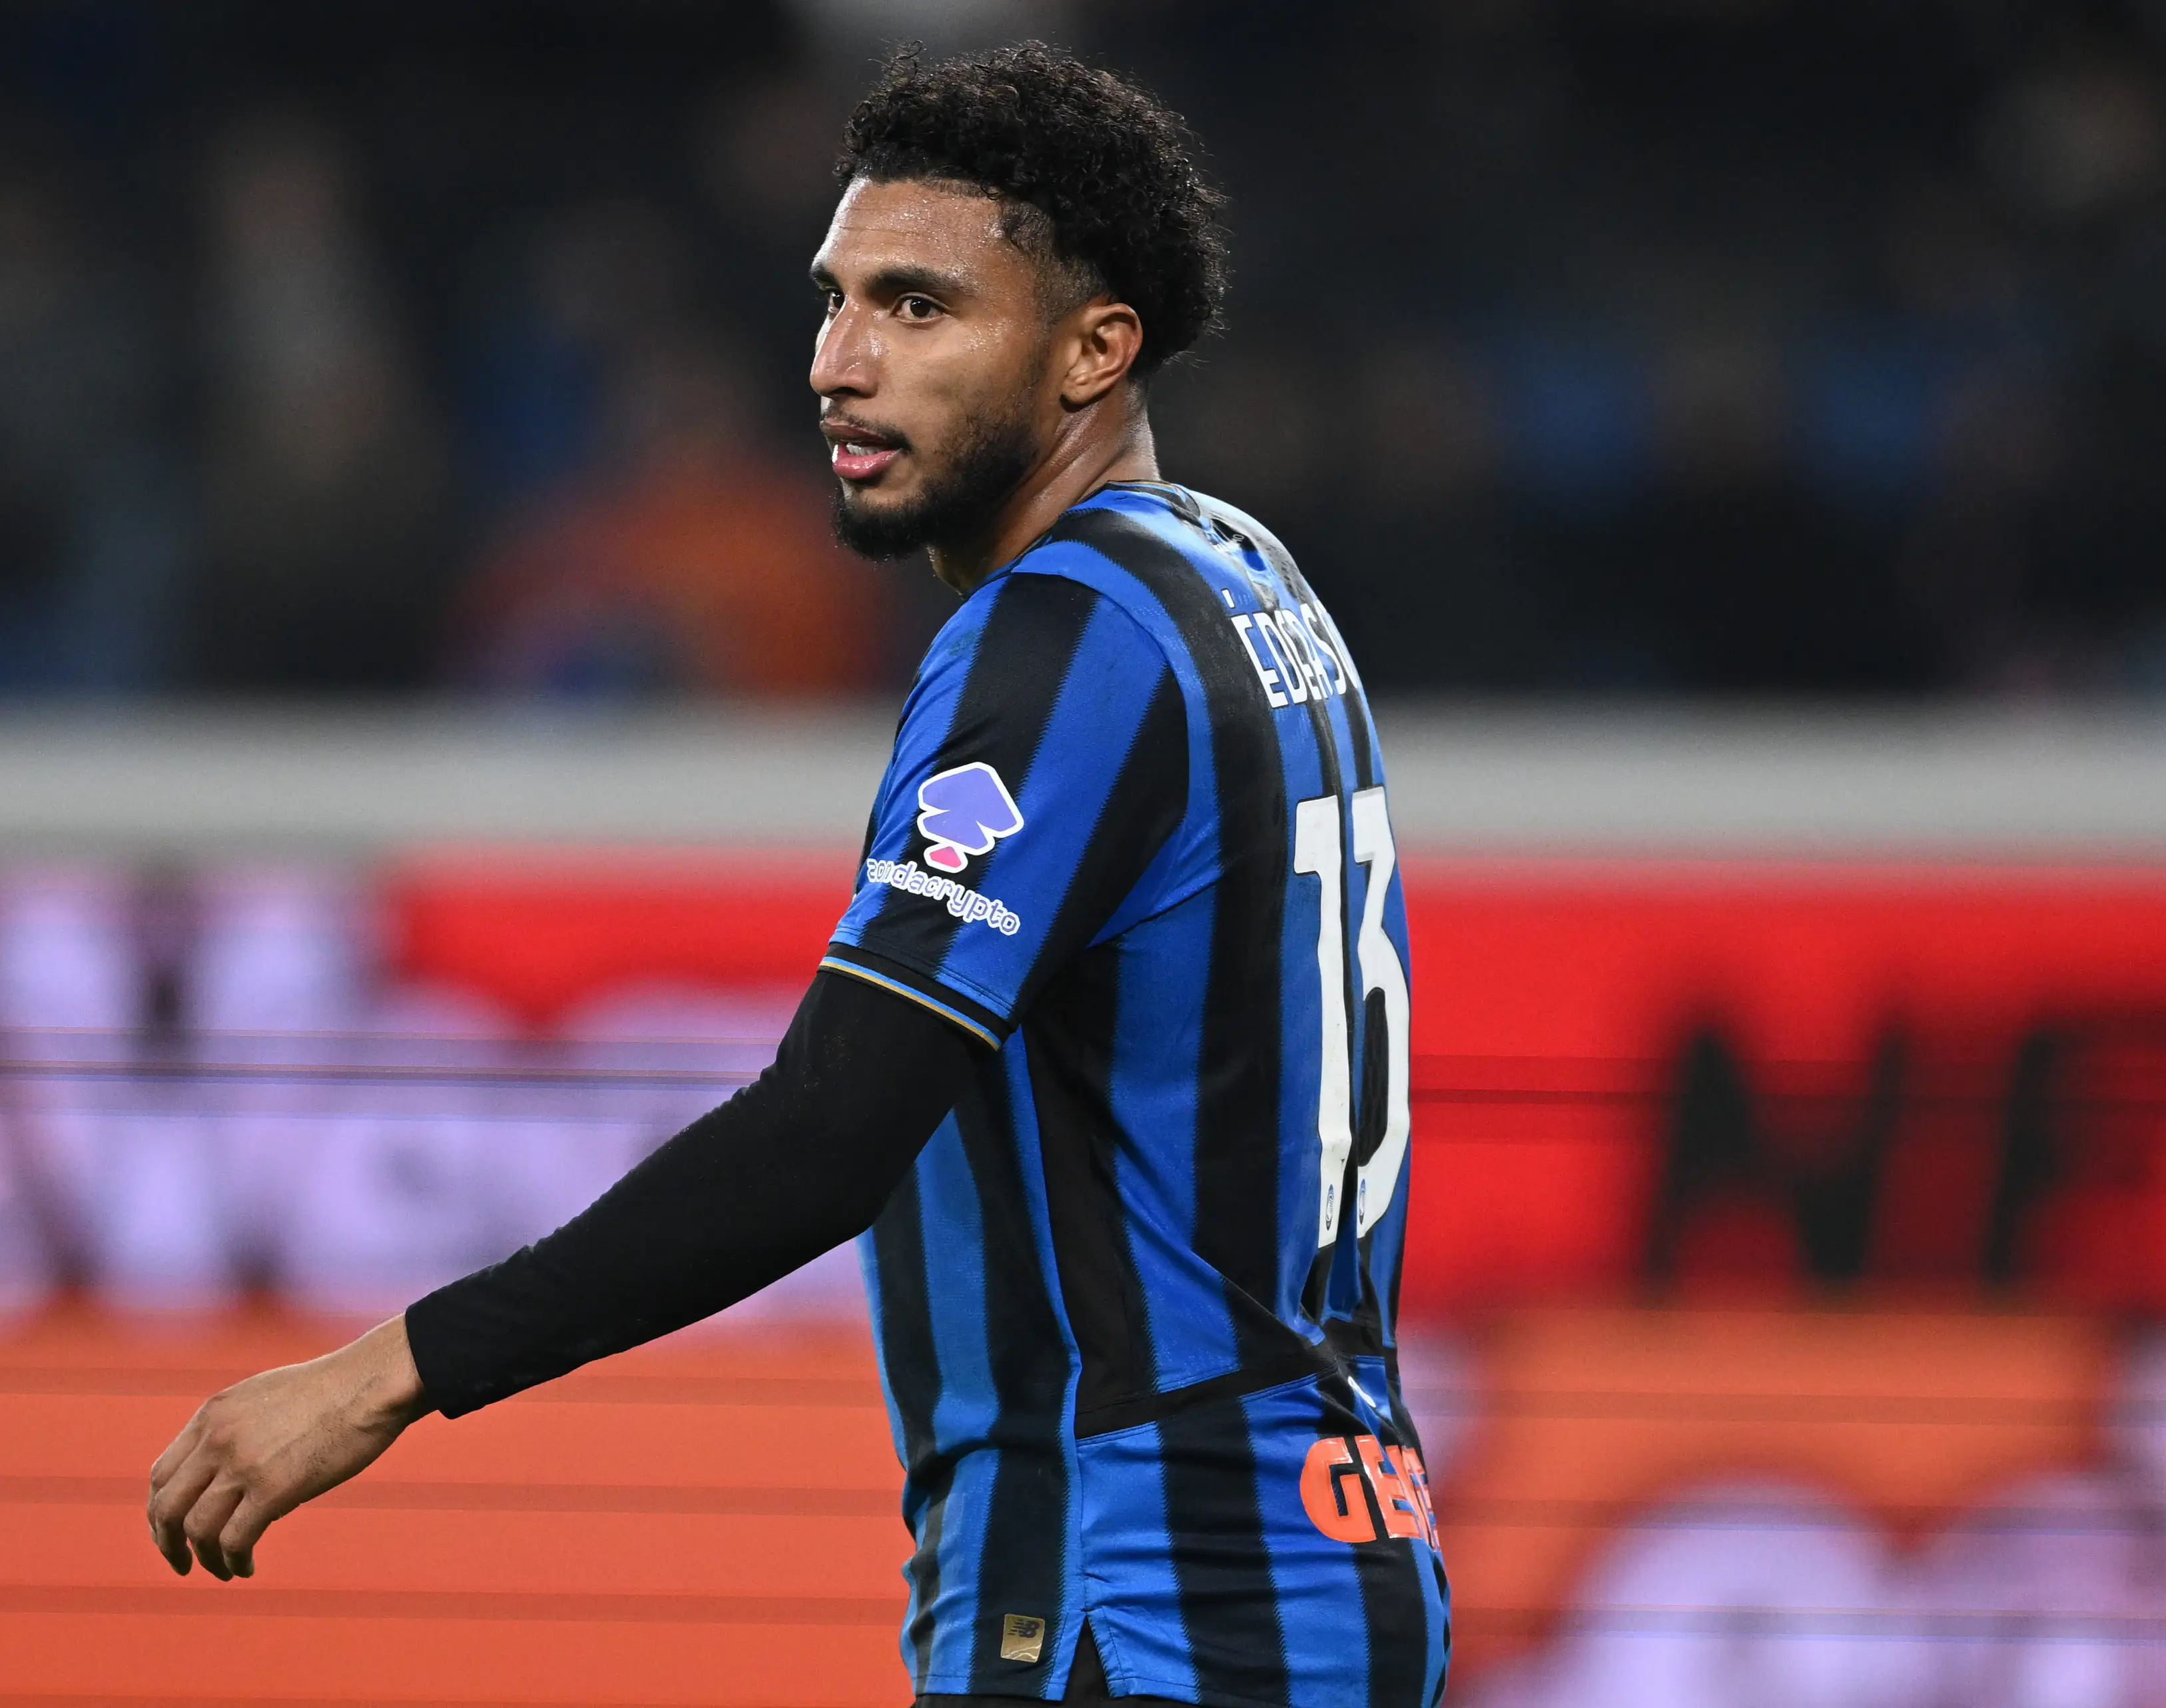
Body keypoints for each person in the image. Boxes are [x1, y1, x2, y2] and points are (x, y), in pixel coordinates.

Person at [147, 41, 1448, 1708]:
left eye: (919, 308)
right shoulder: (1247, 576)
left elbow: (832, 1126)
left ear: (1093, 349)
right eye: (835, 300)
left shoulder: (1065, 638)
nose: (841, 362)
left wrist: (388, 1372)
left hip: (1135, 1588)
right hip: (1337, 1559)